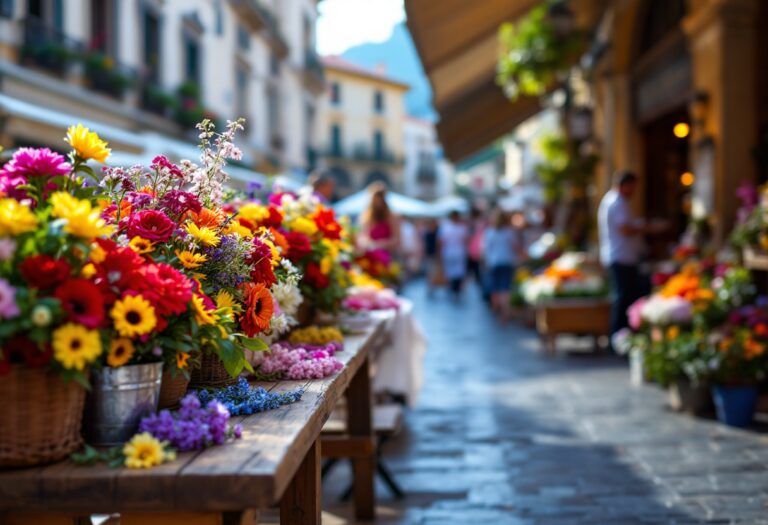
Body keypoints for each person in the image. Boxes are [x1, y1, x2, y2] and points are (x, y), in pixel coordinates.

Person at [598, 171, 661, 340]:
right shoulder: (616, 202)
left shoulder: (617, 201)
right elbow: (625, 229)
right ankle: (618, 337)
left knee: (626, 296)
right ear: (624, 185)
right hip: (620, 257)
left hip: (623, 256)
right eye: (632, 187)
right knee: (623, 297)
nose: (634, 191)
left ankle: (621, 336)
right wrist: (646, 227)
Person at [483, 208, 522, 318]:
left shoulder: (490, 232)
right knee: (505, 288)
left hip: (494, 263)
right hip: (506, 261)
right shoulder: (508, 232)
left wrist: (486, 262)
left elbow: (486, 250)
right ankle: (505, 311)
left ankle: (496, 309)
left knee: (495, 287)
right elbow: (515, 247)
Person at [359, 183, 401, 257]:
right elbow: (362, 236)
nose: (378, 203)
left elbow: (397, 240)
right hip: (371, 256)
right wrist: (367, 243)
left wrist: (381, 244)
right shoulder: (367, 216)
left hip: (388, 256)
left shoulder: (392, 216)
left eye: (380, 199)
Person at [438, 210, 469, 297]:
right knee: (455, 271)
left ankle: (453, 287)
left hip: (452, 251)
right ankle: (455, 288)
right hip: (455, 251)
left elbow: (441, 241)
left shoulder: (447, 227)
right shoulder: (460, 227)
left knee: (453, 271)